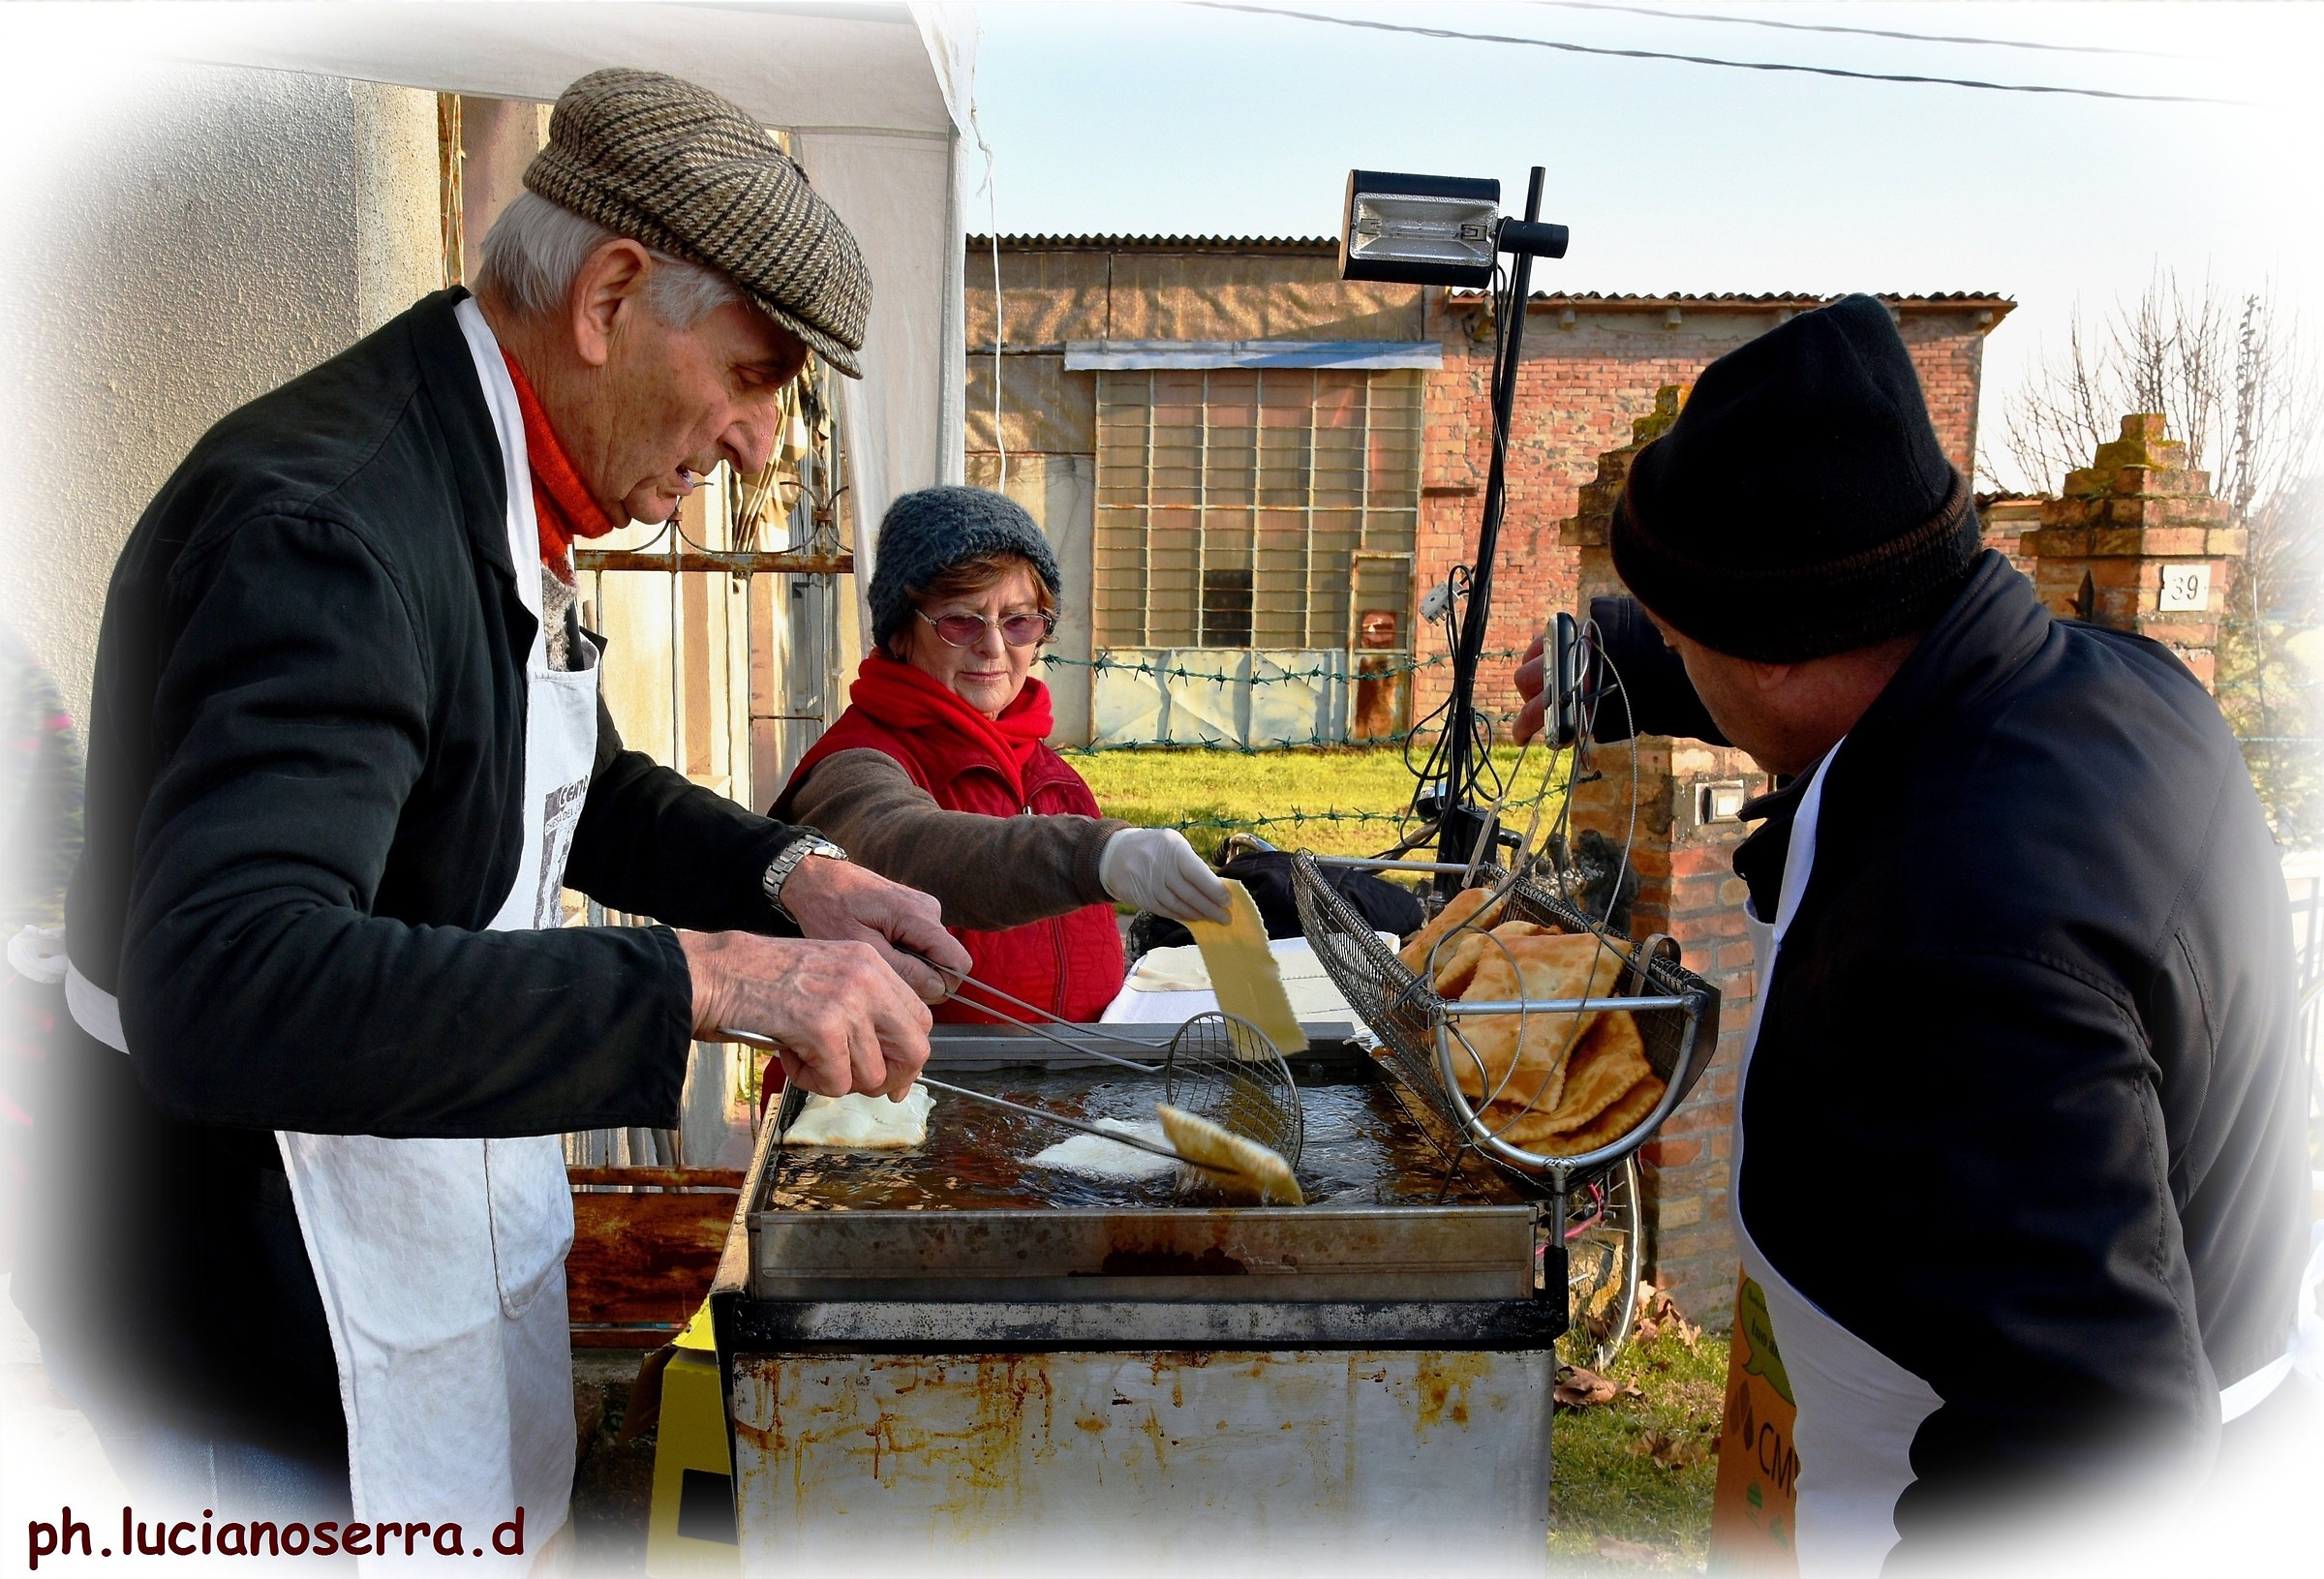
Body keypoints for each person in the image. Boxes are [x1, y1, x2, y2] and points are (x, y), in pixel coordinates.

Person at [15, 67, 971, 1550]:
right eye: (755, 374)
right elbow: (226, 981)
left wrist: (790, 878)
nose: (756, 443)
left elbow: (559, 780)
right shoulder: (327, 530)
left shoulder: (500, 477)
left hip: (433, 1230)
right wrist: (714, 980)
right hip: (262, 1314)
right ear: (609, 297)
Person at [1513, 295, 2315, 1571]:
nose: (1669, 649)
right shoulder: (2112, 683)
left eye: (1675, 630)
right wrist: (1619, 656)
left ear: (1771, 650)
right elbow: (1815, 653)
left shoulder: (1951, 939)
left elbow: (2087, 1442)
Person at [775, 486, 1231, 1022]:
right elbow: (905, 845)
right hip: (899, 1100)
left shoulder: (1053, 777)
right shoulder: (853, 764)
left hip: (1060, 1093)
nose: (993, 647)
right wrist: (1093, 856)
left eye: (1019, 621)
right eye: (961, 621)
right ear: (900, 634)